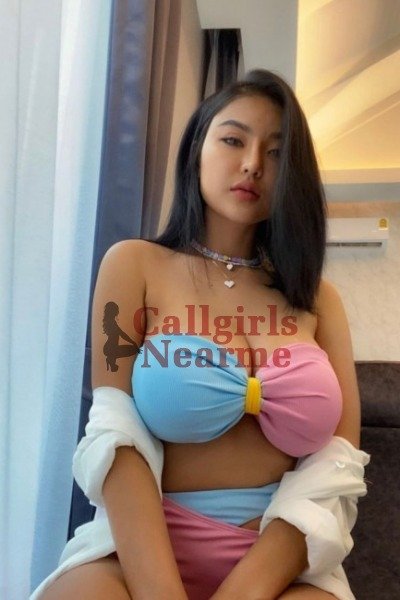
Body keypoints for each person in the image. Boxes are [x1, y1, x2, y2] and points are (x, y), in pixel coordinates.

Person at [31, 69, 369, 600]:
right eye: (233, 140)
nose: (253, 164)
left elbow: (338, 463)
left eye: (277, 152)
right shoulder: (133, 265)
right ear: (196, 150)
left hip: (281, 560)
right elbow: (115, 432)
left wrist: (243, 593)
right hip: (139, 549)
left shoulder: (319, 299)